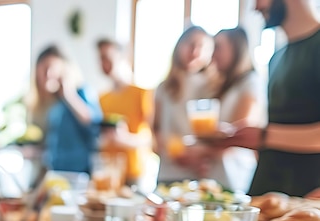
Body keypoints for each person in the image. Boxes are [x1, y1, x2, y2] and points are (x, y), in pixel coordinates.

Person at [216, 0, 320, 197]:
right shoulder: (277, 57)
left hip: (307, 197)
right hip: (267, 192)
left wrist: (265, 136)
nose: (256, 7)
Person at [153, 25, 220, 185]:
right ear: (179, 47)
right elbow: (155, 128)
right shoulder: (164, 88)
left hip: (202, 174)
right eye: (190, 44)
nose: (195, 52)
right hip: (169, 172)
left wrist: (200, 156)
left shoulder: (214, 87)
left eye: (201, 47)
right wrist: (173, 153)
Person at [208, 27, 267, 193]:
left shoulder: (251, 82)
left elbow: (240, 130)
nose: (213, 55)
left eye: (218, 47)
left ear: (236, 48)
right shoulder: (227, 85)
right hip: (219, 172)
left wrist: (201, 151)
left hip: (236, 172)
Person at [28, 44, 102, 174]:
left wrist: (68, 94)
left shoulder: (82, 92)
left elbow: (93, 124)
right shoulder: (52, 102)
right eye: (43, 71)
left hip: (80, 173)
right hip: (56, 172)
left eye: (50, 68)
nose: (48, 74)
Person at [96, 38, 156, 190]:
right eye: (101, 58)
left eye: (108, 57)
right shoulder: (102, 98)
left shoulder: (142, 94)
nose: (104, 63)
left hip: (134, 173)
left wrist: (126, 140)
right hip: (108, 173)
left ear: (122, 57)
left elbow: (152, 138)